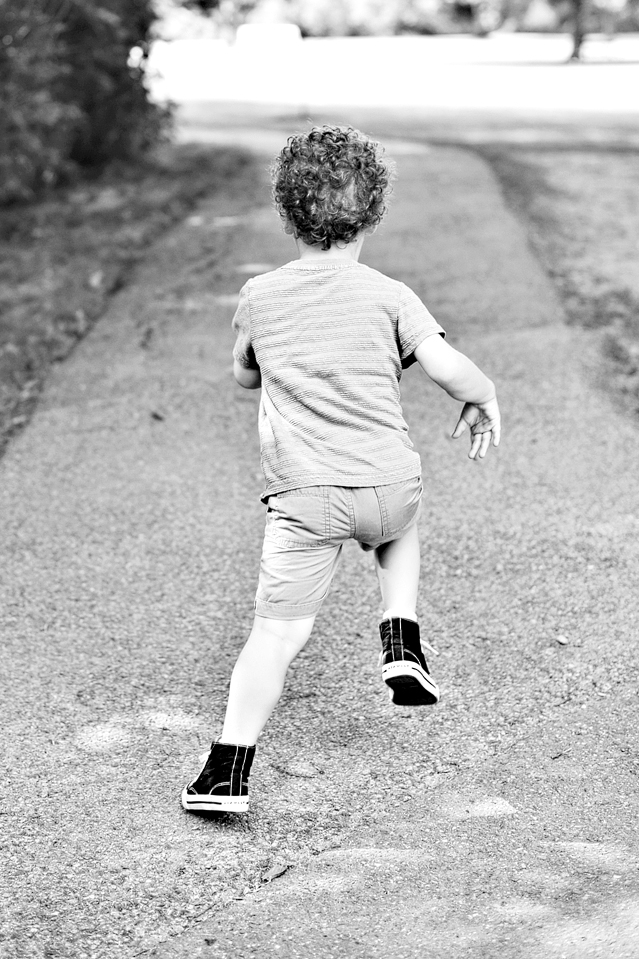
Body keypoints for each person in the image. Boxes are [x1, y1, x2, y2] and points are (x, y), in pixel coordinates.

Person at [182, 125, 501, 815]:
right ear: (373, 213)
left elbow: (243, 372)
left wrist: (260, 360)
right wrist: (483, 394)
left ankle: (226, 773)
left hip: (306, 502)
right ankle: (401, 635)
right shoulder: (391, 295)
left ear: (287, 212)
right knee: (399, 524)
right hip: (388, 485)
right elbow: (447, 366)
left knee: (276, 635)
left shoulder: (261, 296)